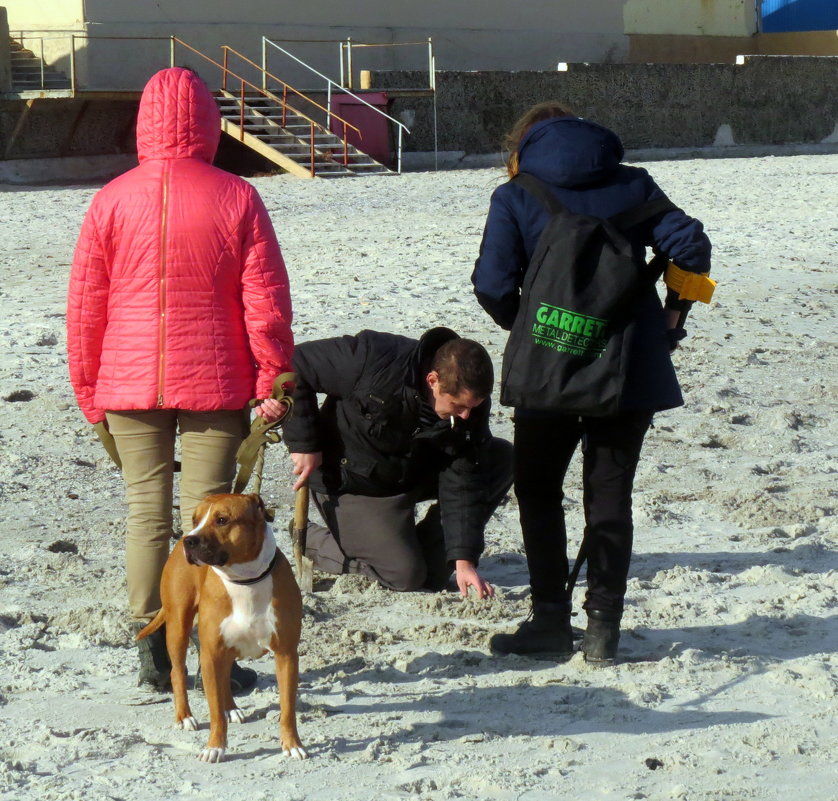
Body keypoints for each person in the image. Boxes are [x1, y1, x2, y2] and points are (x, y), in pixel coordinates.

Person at [67, 67, 294, 691]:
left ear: (144, 122)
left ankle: (152, 647)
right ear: (207, 121)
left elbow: (86, 306)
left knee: (146, 516)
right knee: (210, 523)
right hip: (216, 381)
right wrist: (273, 377)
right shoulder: (237, 195)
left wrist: (89, 388)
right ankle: (204, 648)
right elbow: (265, 300)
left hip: (127, 381)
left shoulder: (110, 197)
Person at [472, 101, 712, 664]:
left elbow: (491, 284)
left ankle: (550, 623)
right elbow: (693, 249)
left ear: (525, 144)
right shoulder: (635, 186)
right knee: (609, 497)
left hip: (547, 367)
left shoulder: (516, 194)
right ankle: (603, 630)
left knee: (538, 493)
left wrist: (536, 330)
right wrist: (676, 312)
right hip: (629, 368)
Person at [282, 327, 513, 598]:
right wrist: (305, 444)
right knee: (406, 575)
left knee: (500, 458)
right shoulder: (374, 357)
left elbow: (463, 475)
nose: (465, 415)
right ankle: (312, 539)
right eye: (457, 406)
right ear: (432, 380)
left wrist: (463, 559)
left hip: (411, 473)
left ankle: (425, 551)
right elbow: (294, 364)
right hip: (354, 482)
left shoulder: (469, 404)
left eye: (472, 407)